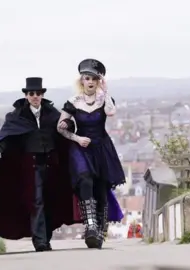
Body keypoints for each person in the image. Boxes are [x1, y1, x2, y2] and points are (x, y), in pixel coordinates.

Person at [0, 77, 79, 252]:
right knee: (37, 201)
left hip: (50, 164)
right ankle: (40, 241)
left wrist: (70, 125)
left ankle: (45, 239)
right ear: (26, 95)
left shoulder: (52, 114)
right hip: (30, 165)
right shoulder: (17, 116)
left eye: (38, 93)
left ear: (42, 95)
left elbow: (64, 130)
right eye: (31, 93)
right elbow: (8, 137)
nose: (35, 96)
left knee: (49, 201)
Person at [57, 58, 125, 249]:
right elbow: (60, 128)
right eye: (87, 78)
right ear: (81, 81)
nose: (90, 82)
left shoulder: (104, 100)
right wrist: (77, 138)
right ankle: (91, 226)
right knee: (85, 181)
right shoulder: (73, 102)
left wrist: (106, 90)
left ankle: (101, 230)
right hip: (81, 148)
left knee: (101, 187)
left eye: (94, 79)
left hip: (102, 148)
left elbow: (111, 113)